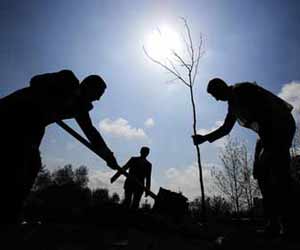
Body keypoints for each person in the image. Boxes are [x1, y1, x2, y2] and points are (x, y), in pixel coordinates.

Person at [0, 69, 119, 223]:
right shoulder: (67, 79)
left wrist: (108, 155)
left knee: (30, 164)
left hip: (32, 127)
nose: (98, 99)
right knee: (24, 163)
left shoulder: (79, 107)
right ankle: (9, 215)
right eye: (98, 93)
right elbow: (35, 80)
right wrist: (61, 94)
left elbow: (91, 132)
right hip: (12, 113)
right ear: (89, 86)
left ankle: (10, 214)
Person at [192, 78, 295, 236]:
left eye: (215, 95)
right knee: (261, 173)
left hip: (280, 126)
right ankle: (273, 223)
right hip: (267, 133)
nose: (216, 99)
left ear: (221, 87)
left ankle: (290, 225)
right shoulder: (232, 105)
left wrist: (265, 144)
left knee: (279, 173)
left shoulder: (244, 90)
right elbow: (226, 128)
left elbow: (267, 112)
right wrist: (204, 138)